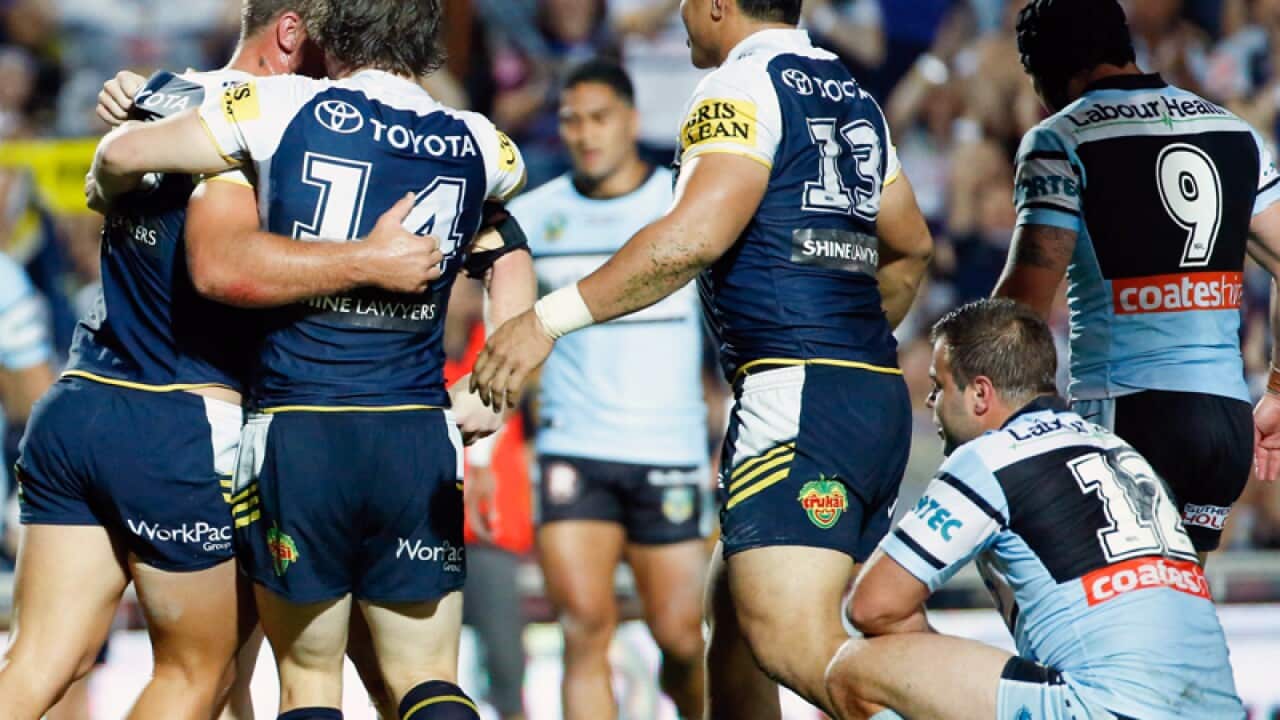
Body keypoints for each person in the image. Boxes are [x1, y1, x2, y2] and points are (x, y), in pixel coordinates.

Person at [471, 0, 934, 715]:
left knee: (788, 645)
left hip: (796, 393)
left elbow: (691, 239)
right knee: (737, 648)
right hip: (867, 391)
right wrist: (851, 344)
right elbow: (911, 247)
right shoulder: (852, 95)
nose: (681, 13)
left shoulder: (738, 86)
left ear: (719, 4)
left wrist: (547, 320)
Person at [85, 0, 535, 717]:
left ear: (335, 35)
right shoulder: (482, 140)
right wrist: (499, 380)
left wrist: (139, 116)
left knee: (309, 682)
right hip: (416, 431)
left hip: (301, 428)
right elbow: (510, 251)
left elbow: (127, 155)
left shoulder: (281, 105)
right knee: (427, 677)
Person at [0, 2, 445, 718]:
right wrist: (372, 260)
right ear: (293, 33)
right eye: (337, 45)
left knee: (42, 659)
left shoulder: (165, 93)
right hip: (185, 425)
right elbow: (226, 267)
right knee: (196, 676)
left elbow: (108, 166)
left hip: (80, 402)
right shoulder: (286, 119)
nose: (348, 68)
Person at [823, 298, 1244, 720]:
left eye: (940, 385)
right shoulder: (1117, 447)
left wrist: (924, 673)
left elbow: (871, 605)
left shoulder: (990, 456)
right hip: (1217, 706)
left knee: (854, 669)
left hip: (1107, 707)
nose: (932, 401)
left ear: (980, 394)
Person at [993, 0, 1280, 562]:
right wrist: (1277, 389)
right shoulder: (1235, 132)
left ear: (1047, 70)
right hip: (1224, 421)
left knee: (1098, 610)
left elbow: (1024, 305)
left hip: (1129, 409)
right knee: (1180, 602)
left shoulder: (1059, 138)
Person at [509, 59, 708, 720]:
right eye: (571, 120)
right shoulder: (535, 217)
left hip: (670, 449)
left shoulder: (682, 208)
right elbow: (509, 333)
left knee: (681, 639)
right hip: (574, 448)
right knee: (582, 632)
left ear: (631, 119)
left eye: (599, 118)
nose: (585, 134)